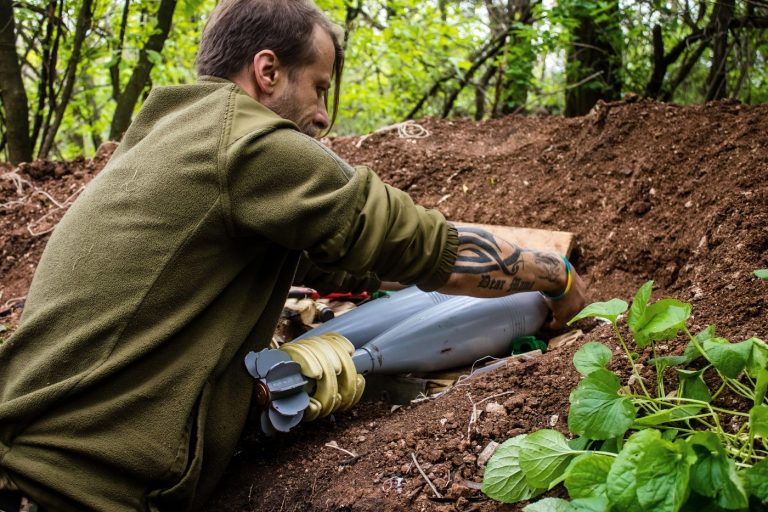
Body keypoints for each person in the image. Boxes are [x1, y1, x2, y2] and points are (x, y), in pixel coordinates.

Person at [0, 0, 586, 510]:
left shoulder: (171, 134)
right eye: (320, 88)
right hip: (73, 488)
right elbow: (414, 240)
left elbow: (317, 255)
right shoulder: (249, 141)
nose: (325, 116)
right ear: (268, 71)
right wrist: (552, 275)